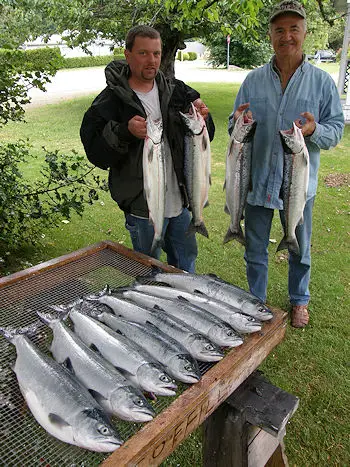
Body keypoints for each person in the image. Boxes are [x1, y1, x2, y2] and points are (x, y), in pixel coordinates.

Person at [228, 0, 344, 328]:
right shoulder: (252, 80)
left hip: (299, 186)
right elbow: (233, 124)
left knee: (300, 247)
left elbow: (335, 130)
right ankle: (256, 301)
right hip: (258, 180)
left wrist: (314, 130)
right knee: (254, 248)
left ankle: (299, 300)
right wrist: (237, 120)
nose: (287, 36)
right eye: (280, 30)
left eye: (294, 29)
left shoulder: (322, 83)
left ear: (305, 33)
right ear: (270, 35)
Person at [80, 25, 215, 273]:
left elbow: (205, 137)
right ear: (128, 54)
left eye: (156, 53)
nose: (152, 60)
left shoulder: (177, 90)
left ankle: (183, 309)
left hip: (181, 202)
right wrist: (124, 132)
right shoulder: (109, 100)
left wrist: (204, 118)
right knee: (147, 271)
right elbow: (96, 153)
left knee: (186, 267)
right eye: (143, 53)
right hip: (143, 208)